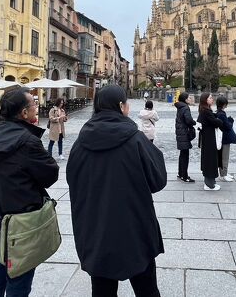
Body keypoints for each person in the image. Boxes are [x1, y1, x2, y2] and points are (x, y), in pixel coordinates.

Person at [67, 85, 167, 296]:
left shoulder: (80, 143)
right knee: (147, 289)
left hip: (96, 233)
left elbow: (72, 180)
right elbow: (158, 180)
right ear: (121, 106)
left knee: (102, 291)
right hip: (134, 230)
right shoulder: (136, 139)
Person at [0, 88, 59, 297]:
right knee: (19, 281)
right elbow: (50, 174)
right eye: (34, 103)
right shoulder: (27, 141)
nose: (37, 106)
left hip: (2, 218)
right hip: (22, 221)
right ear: (24, 113)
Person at [197, 92, 224, 190]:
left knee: (210, 159)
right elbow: (216, 122)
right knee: (210, 160)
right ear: (205, 100)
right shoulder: (206, 111)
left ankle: (210, 182)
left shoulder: (205, 110)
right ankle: (209, 184)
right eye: (210, 98)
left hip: (207, 137)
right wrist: (220, 120)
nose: (212, 99)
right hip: (209, 139)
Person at [216, 96, 236, 182]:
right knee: (224, 157)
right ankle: (223, 175)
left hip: (222, 138)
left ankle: (224, 173)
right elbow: (228, 126)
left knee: (223, 157)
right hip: (224, 138)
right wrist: (231, 120)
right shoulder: (222, 114)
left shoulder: (218, 112)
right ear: (224, 104)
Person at [175, 92, 197, 183]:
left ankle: (180, 173)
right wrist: (193, 122)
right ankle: (184, 176)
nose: (190, 99)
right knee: (185, 156)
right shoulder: (185, 108)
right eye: (189, 98)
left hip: (180, 132)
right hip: (184, 133)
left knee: (182, 154)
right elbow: (188, 120)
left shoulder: (180, 106)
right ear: (185, 99)